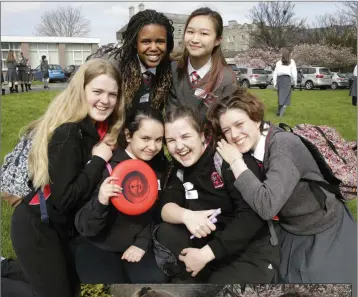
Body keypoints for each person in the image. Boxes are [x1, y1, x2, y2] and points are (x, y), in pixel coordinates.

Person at [207, 87, 357, 285]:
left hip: (323, 228)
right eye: (226, 130)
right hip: (291, 228)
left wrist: (236, 163)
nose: (234, 135)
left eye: (239, 124)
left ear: (256, 119)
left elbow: (267, 205)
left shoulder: (283, 147)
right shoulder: (252, 147)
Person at [10, 58, 126, 297]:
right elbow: (65, 200)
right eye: (97, 91)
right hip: (38, 228)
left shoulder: (96, 129)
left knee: (64, 286)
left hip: (59, 227)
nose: (105, 101)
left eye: (112, 94)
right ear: (81, 91)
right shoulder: (70, 133)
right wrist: (97, 161)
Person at [154, 105, 279, 284]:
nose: (179, 146)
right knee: (167, 231)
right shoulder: (179, 169)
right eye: (171, 140)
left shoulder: (226, 159)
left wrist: (206, 254)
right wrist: (186, 215)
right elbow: (165, 208)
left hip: (248, 251)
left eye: (185, 137)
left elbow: (252, 217)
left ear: (203, 135)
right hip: (209, 248)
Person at [74, 106, 169, 284]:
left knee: (155, 281)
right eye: (145, 138)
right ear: (128, 136)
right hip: (97, 245)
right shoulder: (106, 165)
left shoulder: (158, 169)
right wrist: (102, 199)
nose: (153, 147)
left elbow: (156, 214)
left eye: (159, 140)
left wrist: (141, 243)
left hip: (135, 246)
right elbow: (84, 226)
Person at [166, 7, 237, 121]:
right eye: (190, 32)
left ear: (218, 40)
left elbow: (226, 124)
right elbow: (170, 116)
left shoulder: (227, 79)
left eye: (204, 33)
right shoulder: (173, 69)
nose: (195, 39)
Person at [107, 9, 175, 118]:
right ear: (135, 43)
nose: (153, 48)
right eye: (146, 41)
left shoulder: (168, 69)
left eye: (160, 41)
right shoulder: (114, 69)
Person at [272, 48, 297, 117]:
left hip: (279, 80)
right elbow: (294, 73)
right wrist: (295, 82)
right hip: (287, 80)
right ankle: (280, 114)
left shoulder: (278, 62)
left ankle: (278, 112)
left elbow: (275, 73)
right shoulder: (292, 62)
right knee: (285, 98)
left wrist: (275, 83)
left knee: (280, 96)